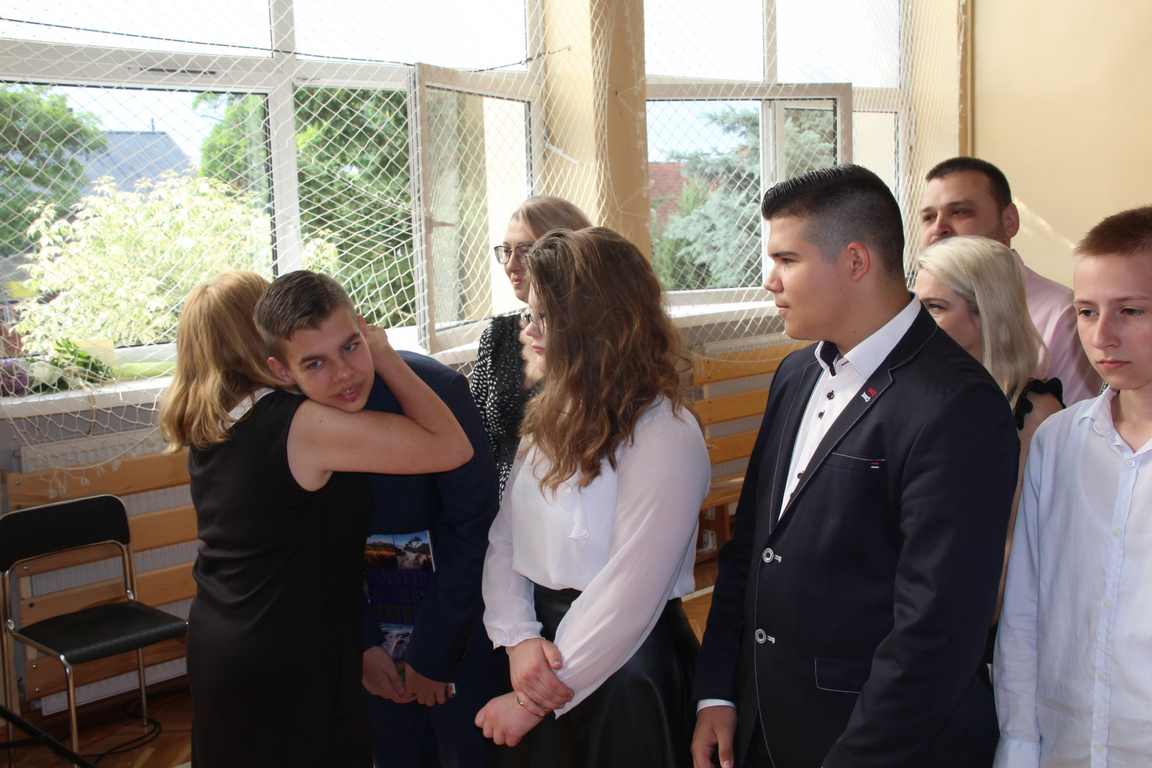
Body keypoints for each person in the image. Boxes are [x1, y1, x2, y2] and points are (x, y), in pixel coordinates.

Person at [692, 165, 1019, 768]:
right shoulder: (797, 373)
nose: (770, 280)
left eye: (787, 260)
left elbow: (936, 626)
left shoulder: (956, 403)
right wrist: (719, 690)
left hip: (873, 739)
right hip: (769, 720)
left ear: (855, 261)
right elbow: (753, 548)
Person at [160, 271, 472, 767]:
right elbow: (450, 446)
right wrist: (384, 356)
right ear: (265, 344)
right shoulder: (300, 425)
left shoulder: (216, 424)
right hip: (287, 648)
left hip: (223, 635)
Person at [475, 227, 709, 766]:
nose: (528, 330)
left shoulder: (664, 432)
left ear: (596, 326)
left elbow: (631, 588)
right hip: (541, 654)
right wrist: (517, 637)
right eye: (529, 314)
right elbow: (506, 539)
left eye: (544, 317)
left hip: (621, 664)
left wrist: (533, 700)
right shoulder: (549, 414)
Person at [994, 206, 1152, 768]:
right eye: (1086, 312)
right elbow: (1025, 608)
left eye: (1131, 311)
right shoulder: (1058, 442)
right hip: (1066, 746)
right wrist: (1018, 745)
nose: (1102, 335)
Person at [914, 235, 1064, 629]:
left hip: (984, 620)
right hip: (917, 600)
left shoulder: (1034, 412)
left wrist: (970, 635)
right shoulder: (920, 394)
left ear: (986, 314)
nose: (917, 321)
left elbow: (1019, 542)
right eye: (916, 305)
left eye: (934, 307)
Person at [919, 156, 1101, 403]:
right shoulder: (910, 307)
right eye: (928, 217)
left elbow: (1072, 421)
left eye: (960, 212)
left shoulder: (1063, 315)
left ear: (1009, 221)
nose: (939, 228)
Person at [470, 196, 592, 494]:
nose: (511, 265)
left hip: (569, 498)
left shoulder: (595, 336)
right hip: (499, 504)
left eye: (525, 251)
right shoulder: (498, 336)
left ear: (565, 253)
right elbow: (474, 436)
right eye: (506, 251)